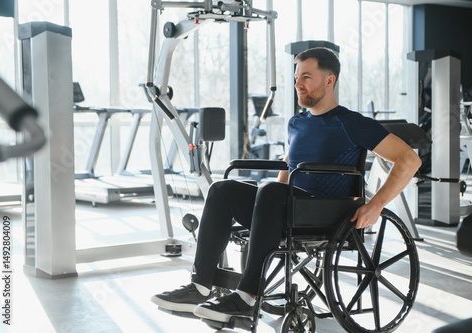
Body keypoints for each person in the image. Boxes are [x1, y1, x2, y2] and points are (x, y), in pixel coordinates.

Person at [151, 47, 422, 323]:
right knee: (222, 189)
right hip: (292, 207)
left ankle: (246, 297)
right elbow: (288, 168)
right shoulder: (297, 123)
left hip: (327, 213)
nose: (298, 85)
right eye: (296, 78)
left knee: (271, 190)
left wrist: (376, 205)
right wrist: (265, 204)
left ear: (329, 81)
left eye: (306, 77)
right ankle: (200, 285)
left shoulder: (352, 123)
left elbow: (409, 160)